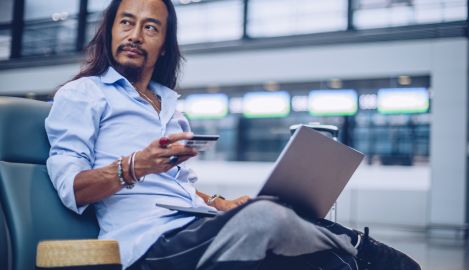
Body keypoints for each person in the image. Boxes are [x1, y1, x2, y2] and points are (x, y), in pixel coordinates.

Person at [45, 0, 421, 269]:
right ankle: (355, 248)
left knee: (285, 212)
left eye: (150, 27)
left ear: (163, 47)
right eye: (126, 22)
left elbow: (183, 191)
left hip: (195, 225)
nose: (135, 35)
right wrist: (134, 166)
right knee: (266, 220)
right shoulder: (83, 94)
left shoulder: (171, 108)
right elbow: (72, 187)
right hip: (149, 244)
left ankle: (350, 255)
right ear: (110, 31)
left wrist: (221, 203)